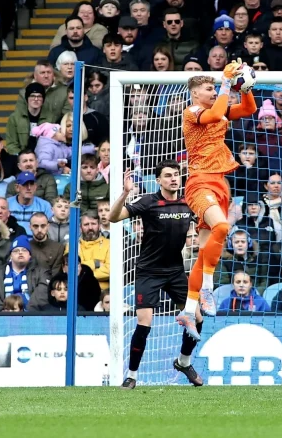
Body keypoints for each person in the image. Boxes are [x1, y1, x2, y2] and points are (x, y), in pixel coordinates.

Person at [176, 60, 257, 338]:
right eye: (209, 89)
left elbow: (249, 109)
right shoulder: (193, 111)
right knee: (223, 228)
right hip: (199, 181)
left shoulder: (219, 110)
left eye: (214, 89)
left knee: (205, 251)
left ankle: (188, 311)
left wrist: (244, 88)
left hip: (220, 183)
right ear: (196, 93)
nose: (213, 93)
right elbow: (214, 114)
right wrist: (225, 83)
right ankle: (207, 288)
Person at [108, 159, 202, 388]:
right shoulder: (148, 202)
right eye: (168, 175)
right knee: (145, 323)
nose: (173, 178)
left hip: (175, 271)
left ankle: (183, 361)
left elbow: (207, 223)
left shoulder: (188, 202)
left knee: (197, 318)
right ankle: (131, 375)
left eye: (176, 174)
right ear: (158, 180)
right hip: (149, 271)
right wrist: (124, 193)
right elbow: (113, 217)